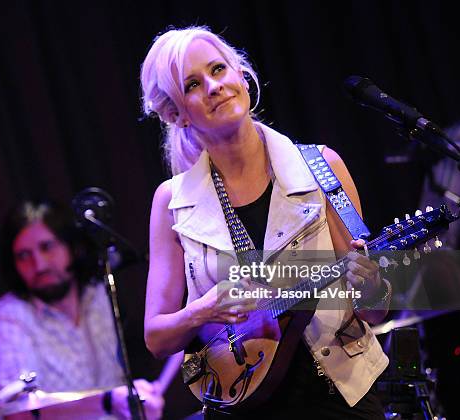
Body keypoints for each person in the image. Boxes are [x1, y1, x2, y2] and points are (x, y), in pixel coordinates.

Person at [140, 26, 392, 418]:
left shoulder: (322, 167)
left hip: (343, 396)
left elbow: (374, 312)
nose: (213, 86)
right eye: (192, 83)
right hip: (243, 404)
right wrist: (202, 310)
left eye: (219, 69)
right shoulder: (170, 202)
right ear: (176, 114)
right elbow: (156, 338)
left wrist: (373, 285)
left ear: (241, 75)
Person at [0, 200, 164, 419]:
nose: (39, 265)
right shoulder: (6, 320)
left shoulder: (100, 296)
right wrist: (108, 401)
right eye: (24, 256)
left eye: (47, 247)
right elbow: (20, 412)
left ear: (73, 248)